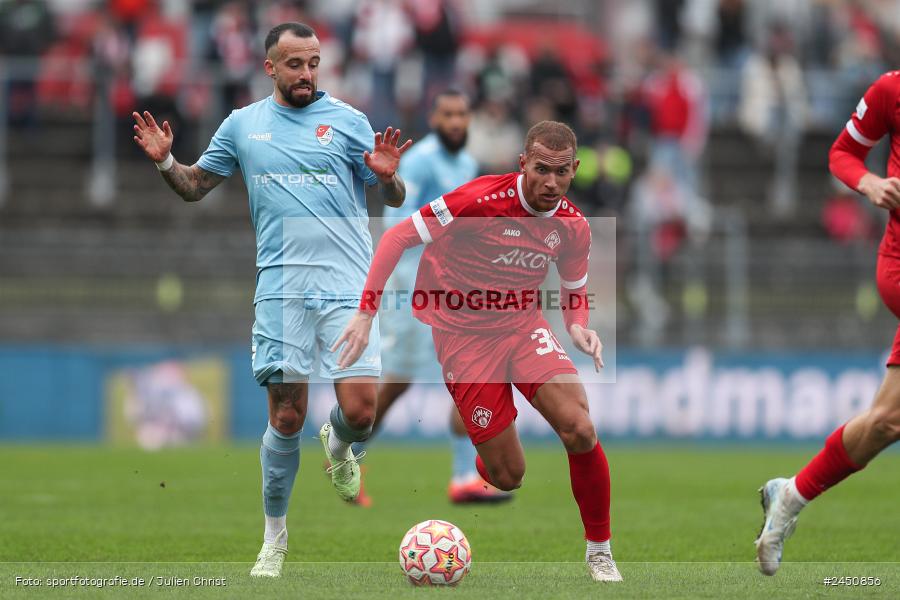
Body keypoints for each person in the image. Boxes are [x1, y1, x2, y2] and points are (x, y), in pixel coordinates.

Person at [131, 22, 411, 578]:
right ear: (270, 68)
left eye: (314, 63)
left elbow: (394, 194)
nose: (307, 74)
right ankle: (274, 541)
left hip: (347, 286)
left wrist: (388, 180)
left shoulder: (350, 122)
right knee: (286, 416)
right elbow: (194, 186)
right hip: (281, 288)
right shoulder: (242, 125)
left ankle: (339, 447)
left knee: (361, 413)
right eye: (295, 64)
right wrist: (165, 161)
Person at [332, 121, 623, 582]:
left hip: (523, 328)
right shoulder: (479, 200)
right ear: (523, 163)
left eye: (562, 171)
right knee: (508, 476)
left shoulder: (573, 227)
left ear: (575, 169)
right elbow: (396, 237)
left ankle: (600, 552)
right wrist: (366, 314)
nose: (551, 182)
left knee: (580, 428)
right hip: (463, 339)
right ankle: (493, 443)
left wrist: (578, 328)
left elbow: (573, 292)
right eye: (542, 169)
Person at [755, 70, 900, 576]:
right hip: (899, 265)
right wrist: (870, 183)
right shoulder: (891, 90)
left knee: (886, 422)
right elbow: (842, 152)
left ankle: (789, 497)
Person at [353, 88, 512, 505]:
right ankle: (347, 455)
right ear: (434, 118)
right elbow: (396, 224)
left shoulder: (467, 163)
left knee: (471, 375)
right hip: (412, 287)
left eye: (462, 114)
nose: (456, 122)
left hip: (455, 289)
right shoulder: (421, 161)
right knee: (397, 383)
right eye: (448, 115)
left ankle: (464, 477)